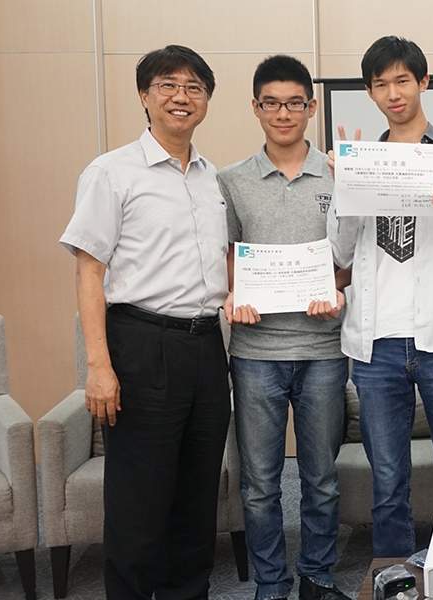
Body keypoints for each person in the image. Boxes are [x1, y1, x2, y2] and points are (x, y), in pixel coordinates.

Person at [59, 45, 231, 599]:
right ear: (144, 96)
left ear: (206, 99)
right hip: (140, 344)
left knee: (198, 496)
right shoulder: (111, 172)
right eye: (167, 85)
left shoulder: (211, 178)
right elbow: (89, 272)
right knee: (139, 500)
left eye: (194, 87)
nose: (182, 97)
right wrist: (98, 366)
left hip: (207, 347)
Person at [327, 35, 433, 557]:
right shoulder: (361, 160)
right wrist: (345, 190)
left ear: (423, 82)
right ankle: (392, 577)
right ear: (369, 93)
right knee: (388, 482)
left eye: (402, 81)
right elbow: (340, 254)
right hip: (376, 344)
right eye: (381, 85)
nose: (393, 93)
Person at [219, 55, 352, 600]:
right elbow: (229, 257)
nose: (283, 113)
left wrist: (337, 289)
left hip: (324, 349)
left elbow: (352, 257)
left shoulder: (337, 175)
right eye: (271, 103)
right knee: (259, 484)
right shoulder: (231, 180)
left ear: (311, 107)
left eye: (294, 103)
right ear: (255, 108)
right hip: (255, 352)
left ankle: (316, 576)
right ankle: (271, 585)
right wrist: (236, 295)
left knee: (321, 479)